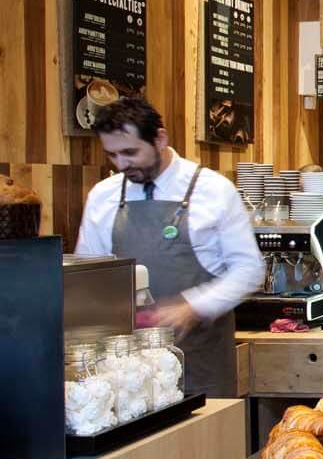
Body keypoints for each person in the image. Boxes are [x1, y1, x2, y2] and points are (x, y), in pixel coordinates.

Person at [75, 97, 263, 396]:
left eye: (130, 152)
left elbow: (249, 270)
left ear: (160, 138)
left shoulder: (213, 191)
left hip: (201, 360)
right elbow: (88, 274)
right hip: (128, 374)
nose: (122, 164)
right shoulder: (103, 196)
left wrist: (193, 306)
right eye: (112, 155)